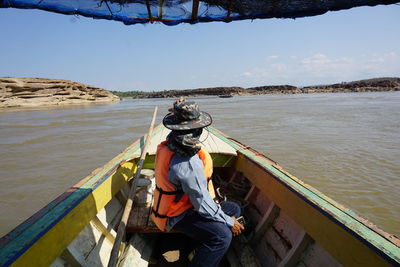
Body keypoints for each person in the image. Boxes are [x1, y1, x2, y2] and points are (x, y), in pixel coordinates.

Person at [151, 100, 244, 267]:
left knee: (234, 209)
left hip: (183, 206)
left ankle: (198, 251)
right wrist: (229, 222)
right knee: (222, 236)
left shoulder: (172, 142)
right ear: (198, 131)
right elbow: (202, 203)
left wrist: (177, 112)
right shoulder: (187, 164)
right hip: (176, 216)